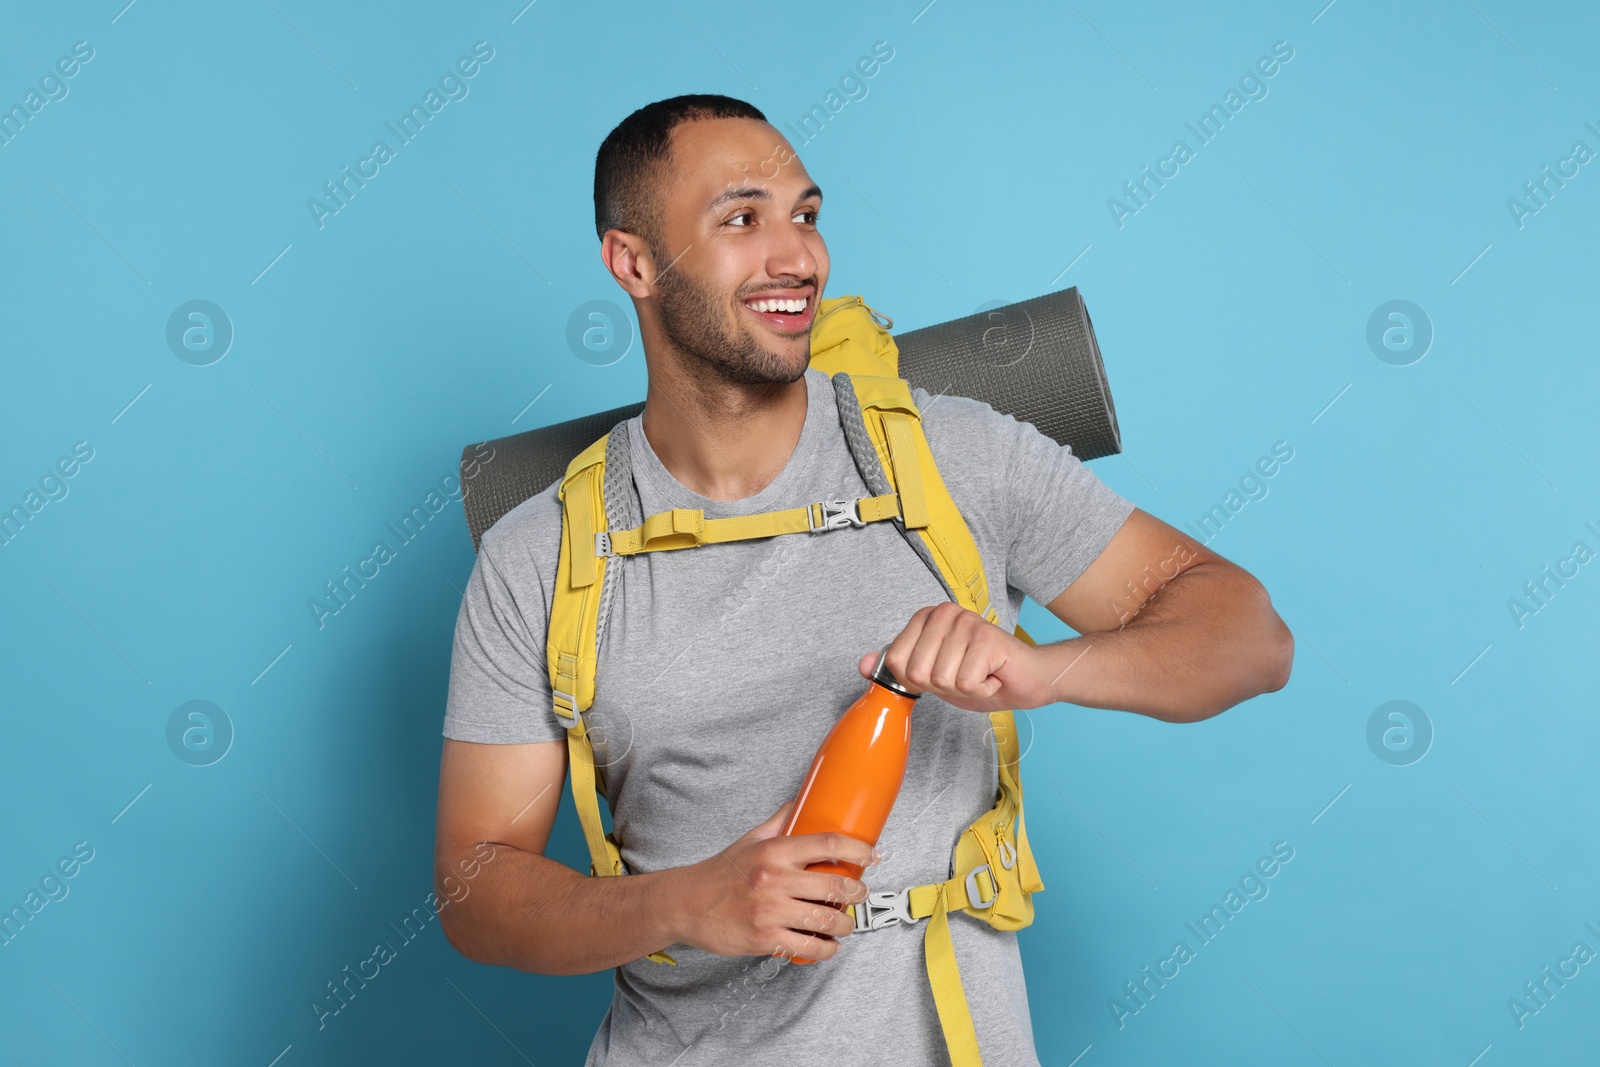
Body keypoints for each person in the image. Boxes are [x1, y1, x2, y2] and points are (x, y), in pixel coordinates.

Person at [434, 93, 1293, 1065]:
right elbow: (474, 885)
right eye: (741, 218)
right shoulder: (537, 552)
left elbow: (1251, 637)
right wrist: (687, 899)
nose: (798, 256)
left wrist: (1048, 668)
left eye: (806, 214)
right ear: (632, 261)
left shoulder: (958, 459)